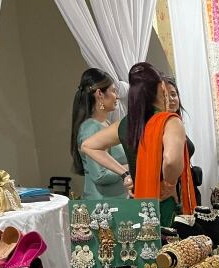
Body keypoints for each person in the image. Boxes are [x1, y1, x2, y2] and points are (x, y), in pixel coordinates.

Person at [82, 62, 196, 226]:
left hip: (139, 202)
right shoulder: (170, 122)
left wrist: (125, 174)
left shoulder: (127, 124)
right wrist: (169, 184)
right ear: (159, 88)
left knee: (145, 247)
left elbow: (88, 145)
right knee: (171, 250)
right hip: (167, 204)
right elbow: (170, 160)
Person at [70, 68, 128, 199]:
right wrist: (132, 167)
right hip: (103, 206)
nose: (117, 96)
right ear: (100, 94)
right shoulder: (90, 128)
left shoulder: (106, 124)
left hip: (116, 199)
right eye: (113, 91)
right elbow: (100, 175)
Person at [164, 76, 202, 206]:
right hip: (173, 192)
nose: (171, 99)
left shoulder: (175, 122)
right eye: (165, 95)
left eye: (173, 94)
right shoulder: (161, 126)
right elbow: (169, 162)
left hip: (187, 186)